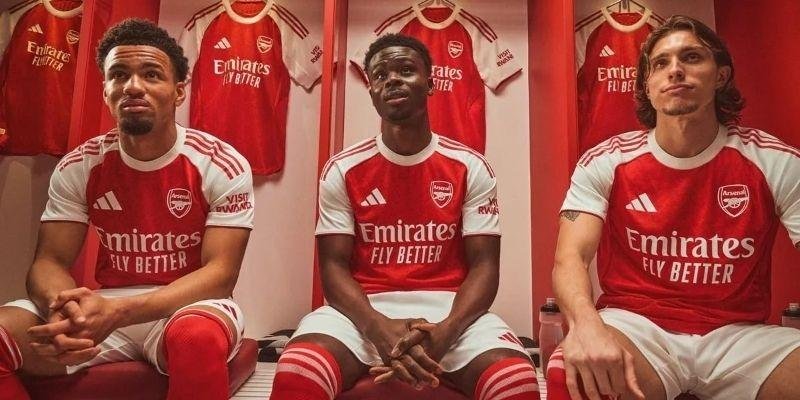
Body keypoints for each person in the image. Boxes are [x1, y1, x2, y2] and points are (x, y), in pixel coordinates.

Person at [269, 33, 539, 400]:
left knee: (516, 380)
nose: (392, 79)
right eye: (380, 75)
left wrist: (444, 334)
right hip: (362, 312)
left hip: (450, 310)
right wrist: (379, 330)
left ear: (430, 83)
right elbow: (333, 268)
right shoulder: (342, 169)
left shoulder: (470, 166)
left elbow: (485, 267)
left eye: (406, 70)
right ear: (371, 92)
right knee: (298, 370)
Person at [548, 15, 800, 400]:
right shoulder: (606, 160)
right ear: (647, 86)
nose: (675, 70)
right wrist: (585, 326)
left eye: (692, 57)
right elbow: (570, 258)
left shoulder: (774, 161)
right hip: (638, 328)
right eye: (660, 63)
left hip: (740, 336)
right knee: (573, 373)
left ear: (721, 76)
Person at [0, 18, 254, 400]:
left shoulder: (219, 163)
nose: (133, 86)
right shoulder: (79, 165)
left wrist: (119, 312)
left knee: (196, 338)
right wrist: (66, 310)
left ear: (179, 92)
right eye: (118, 75)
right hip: (106, 305)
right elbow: (48, 261)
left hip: (189, 306)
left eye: (151, 74)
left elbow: (220, 274)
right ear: (105, 90)